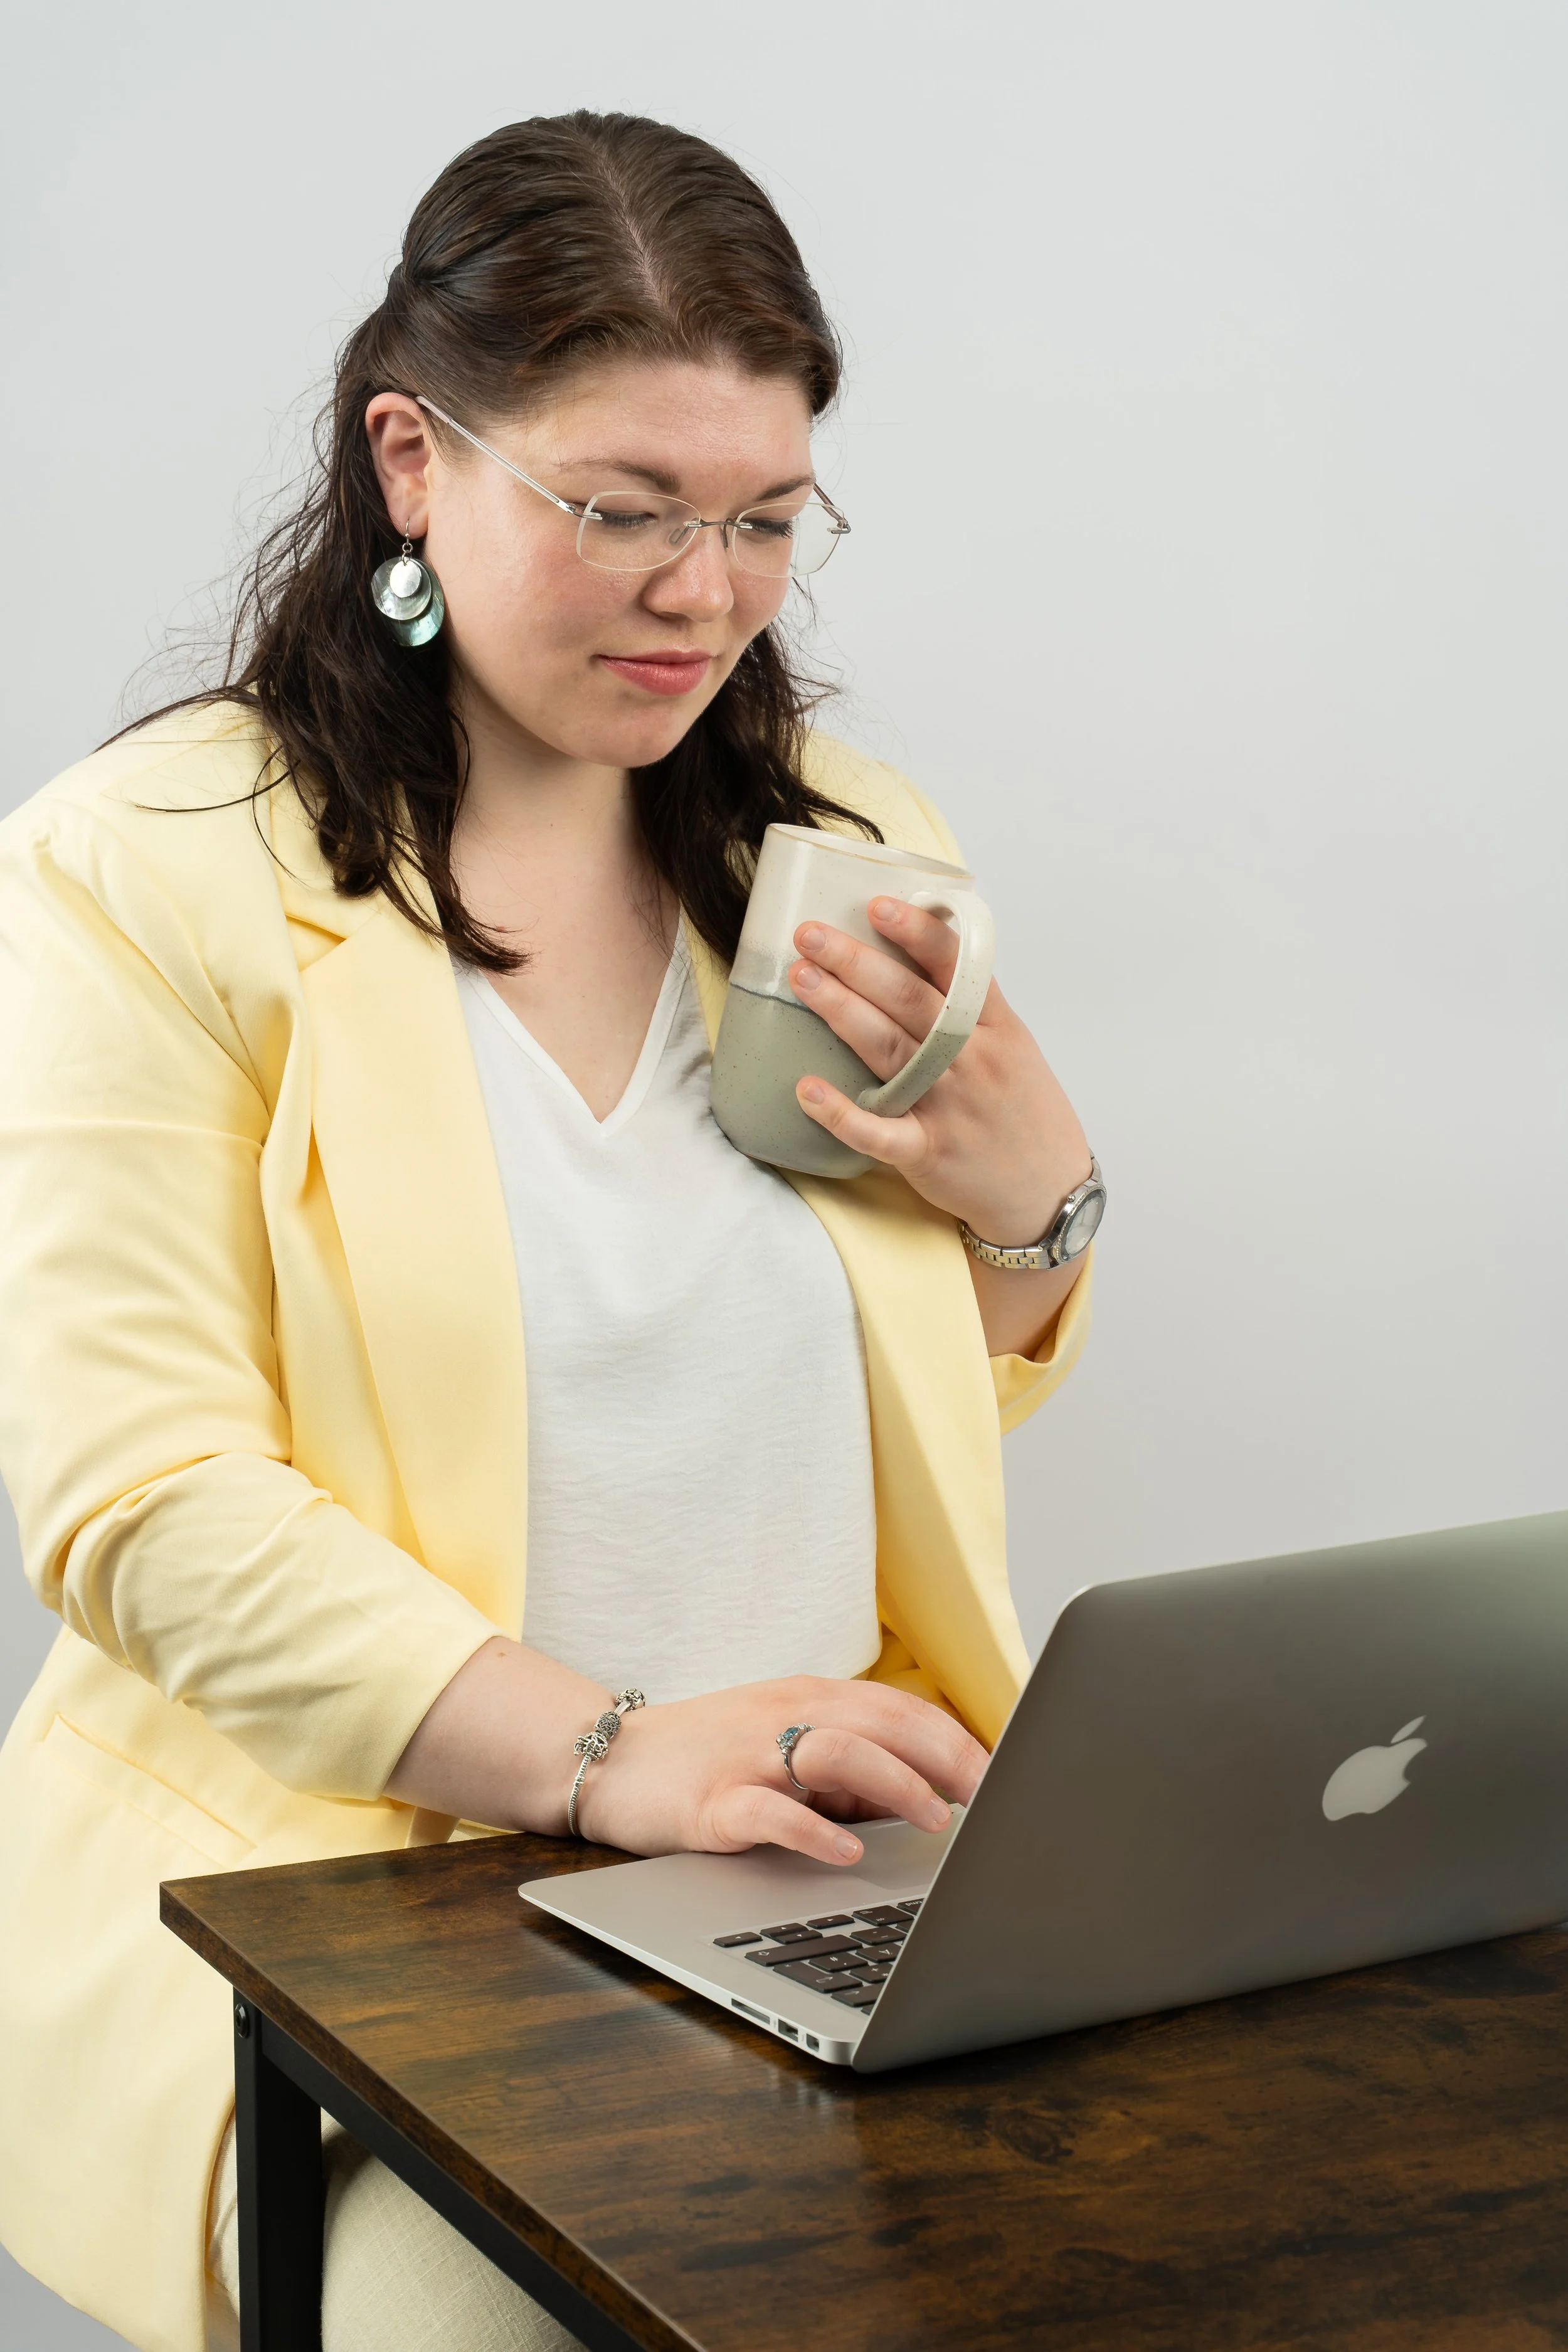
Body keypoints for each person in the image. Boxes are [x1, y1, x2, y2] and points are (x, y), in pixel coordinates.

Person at [0, 111, 1096, 2352]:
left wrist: (1036, 1208)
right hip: (365, 1934)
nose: (702, 590)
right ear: (414, 460)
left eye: (765, 519)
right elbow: (138, 1502)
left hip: (810, 1885)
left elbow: (915, 1367)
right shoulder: (150, 868)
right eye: (622, 511)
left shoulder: (841, 842)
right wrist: (610, 1754)